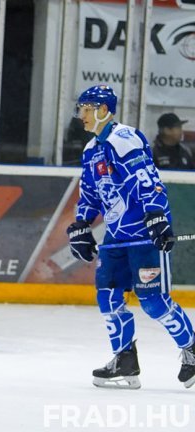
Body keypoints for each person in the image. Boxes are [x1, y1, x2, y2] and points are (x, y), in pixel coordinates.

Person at [67, 85, 195, 390]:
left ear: (103, 110)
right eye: (81, 109)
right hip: (116, 236)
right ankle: (125, 359)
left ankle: (192, 348)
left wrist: (156, 215)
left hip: (144, 234)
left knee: (152, 302)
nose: (81, 115)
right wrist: (82, 224)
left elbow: (146, 180)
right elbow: (90, 193)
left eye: (87, 109)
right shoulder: (91, 150)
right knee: (108, 296)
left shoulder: (123, 139)